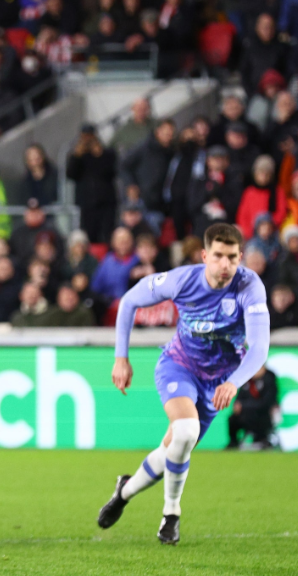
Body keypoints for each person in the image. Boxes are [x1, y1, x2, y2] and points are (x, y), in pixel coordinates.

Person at [97, 223, 270, 545]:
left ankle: (124, 491)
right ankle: (171, 513)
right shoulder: (181, 281)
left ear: (241, 256)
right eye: (218, 256)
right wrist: (121, 358)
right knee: (186, 431)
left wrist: (233, 382)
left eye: (232, 257)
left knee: (173, 449)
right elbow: (129, 301)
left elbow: (260, 347)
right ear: (204, 256)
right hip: (179, 366)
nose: (225, 264)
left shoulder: (249, 286)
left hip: (218, 381)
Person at [66, 124, 118, 244]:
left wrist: (99, 154)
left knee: (108, 234)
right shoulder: (78, 155)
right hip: (87, 203)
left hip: (106, 202)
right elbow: (71, 174)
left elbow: (111, 172)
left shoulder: (107, 153)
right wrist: (76, 156)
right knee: (89, 235)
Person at [226, 366, 279, 449]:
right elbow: (239, 398)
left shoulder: (269, 380)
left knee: (254, 417)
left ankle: (261, 440)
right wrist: (237, 405)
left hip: (263, 415)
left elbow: (266, 403)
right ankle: (233, 443)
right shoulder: (248, 381)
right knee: (232, 418)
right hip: (246, 414)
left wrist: (244, 406)